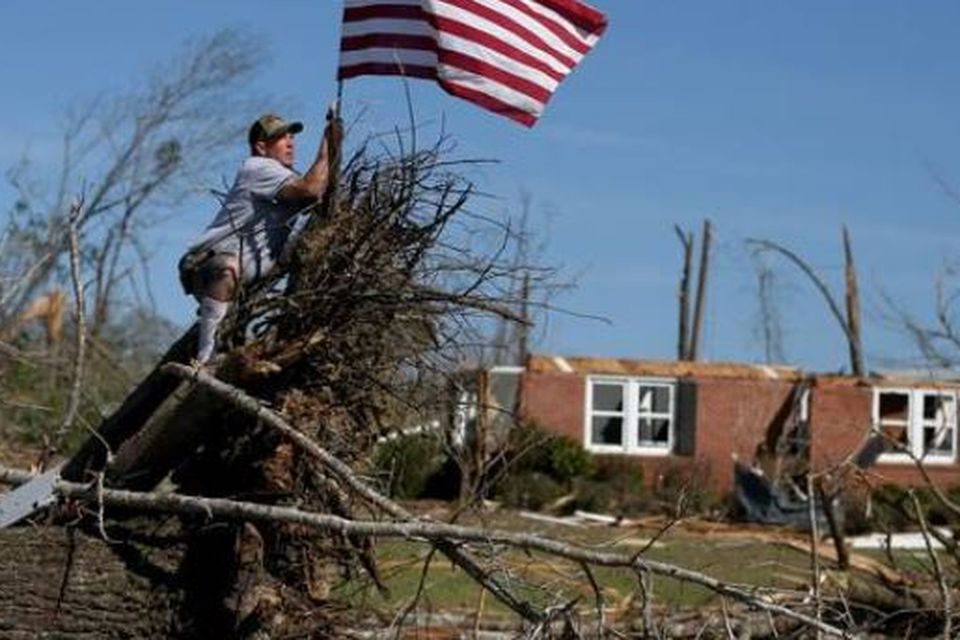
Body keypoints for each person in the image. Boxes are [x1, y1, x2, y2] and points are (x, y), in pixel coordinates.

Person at [178, 110, 342, 364]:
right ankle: (206, 354)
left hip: (249, 277)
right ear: (262, 147)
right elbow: (311, 191)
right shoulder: (258, 167)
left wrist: (334, 148)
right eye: (281, 138)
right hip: (206, 266)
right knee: (228, 267)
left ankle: (224, 336)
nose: (290, 143)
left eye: (292, 137)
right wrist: (325, 148)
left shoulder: (287, 179)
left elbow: (324, 202)